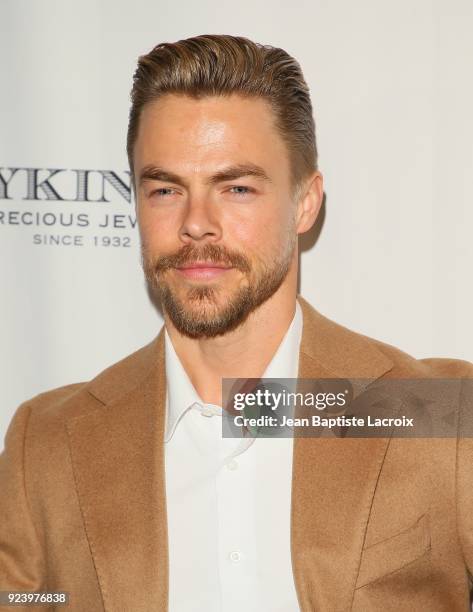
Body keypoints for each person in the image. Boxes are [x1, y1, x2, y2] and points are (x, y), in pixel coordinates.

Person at [0, 34, 472, 612]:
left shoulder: (441, 416)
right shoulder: (45, 444)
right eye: (167, 189)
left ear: (305, 202)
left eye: (237, 188)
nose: (197, 223)